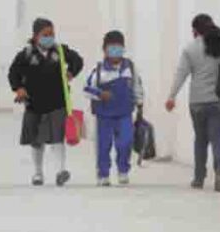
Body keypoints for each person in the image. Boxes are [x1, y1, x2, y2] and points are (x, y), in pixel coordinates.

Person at [165, 14, 220, 192]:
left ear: (195, 30)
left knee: (200, 139)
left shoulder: (190, 49)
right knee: (217, 137)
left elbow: (181, 73)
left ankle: (199, 177)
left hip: (197, 103)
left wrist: (171, 96)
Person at [8, 18, 84, 187]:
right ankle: (38, 173)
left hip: (57, 103)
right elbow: (13, 73)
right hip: (34, 104)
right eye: (45, 34)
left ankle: (60, 171)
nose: (49, 38)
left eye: (52, 34)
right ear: (36, 36)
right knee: (36, 141)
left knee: (58, 138)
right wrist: (18, 88)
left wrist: (71, 72)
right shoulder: (26, 55)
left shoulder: (60, 51)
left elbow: (78, 61)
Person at [83, 30, 145, 187]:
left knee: (126, 142)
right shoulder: (99, 70)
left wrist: (140, 104)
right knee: (103, 145)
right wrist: (100, 94)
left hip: (124, 113)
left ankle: (123, 170)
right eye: (112, 48)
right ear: (104, 50)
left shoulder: (130, 68)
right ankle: (103, 174)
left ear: (123, 48)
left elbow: (137, 86)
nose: (115, 51)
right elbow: (86, 89)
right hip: (104, 115)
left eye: (119, 47)